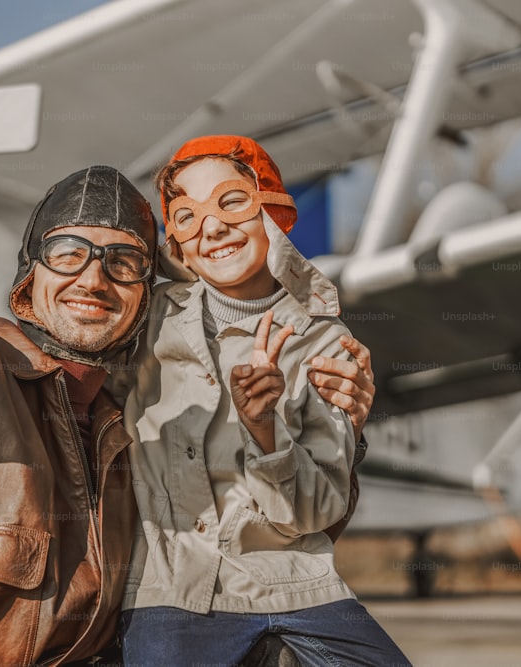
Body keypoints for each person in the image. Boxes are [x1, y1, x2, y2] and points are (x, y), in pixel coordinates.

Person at [0, 72, 376, 666]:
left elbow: (272, 540)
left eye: (124, 261)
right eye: (67, 252)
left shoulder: (148, 436)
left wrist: (329, 430)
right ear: (31, 276)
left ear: (147, 293)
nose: (93, 278)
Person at [118, 136, 409, 666]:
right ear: (176, 245)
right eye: (186, 216)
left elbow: (316, 512)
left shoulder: (326, 343)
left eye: (232, 202)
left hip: (299, 584)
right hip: (172, 585)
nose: (212, 227)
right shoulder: (143, 321)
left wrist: (265, 432)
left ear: (273, 210)